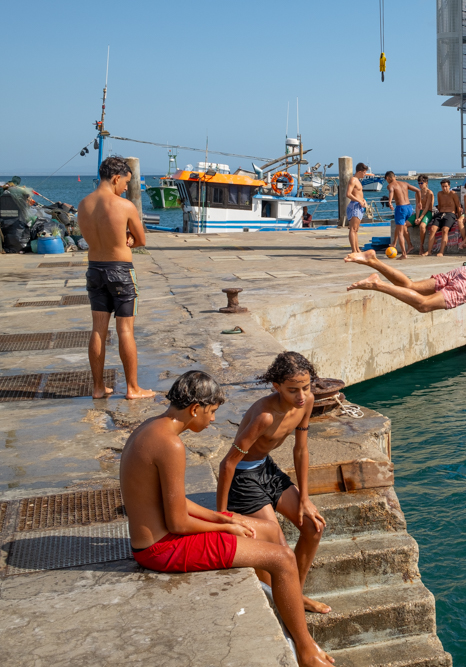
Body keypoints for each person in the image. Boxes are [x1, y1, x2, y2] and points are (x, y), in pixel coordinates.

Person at [119, 371, 334, 667]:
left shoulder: (152, 428)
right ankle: (306, 647)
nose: (213, 420)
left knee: (269, 530)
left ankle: (284, 603)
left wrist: (222, 518)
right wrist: (225, 525)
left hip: (155, 540)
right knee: (283, 557)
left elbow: (174, 501)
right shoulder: (172, 446)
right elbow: (178, 524)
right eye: (212, 412)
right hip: (161, 549)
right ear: (195, 409)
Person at [217, 352, 329, 615]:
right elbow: (228, 464)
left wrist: (304, 497)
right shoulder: (264, 416)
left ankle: (294, 596)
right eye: (293, 391)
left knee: (314, 527)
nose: (301, 396)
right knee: (278, 550)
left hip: (266, 469)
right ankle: (281, 603)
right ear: (276, 387)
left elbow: (301, 450)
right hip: (243, 480)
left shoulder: (307, 402)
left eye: (306, 387)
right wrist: (221, 517)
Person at [77, 155, 155, 400]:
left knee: (98, 329)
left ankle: (98, 387)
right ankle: (133, 388)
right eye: (125, 184)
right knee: (125, 331)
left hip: (94, 269)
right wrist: (129, 238)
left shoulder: (83, 204)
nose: (125, 189)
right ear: (116, 177)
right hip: (120, 270)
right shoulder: (124, 206)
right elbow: (141, 240)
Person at [385, 171, 418, 258]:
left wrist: (389, 202)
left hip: (401, 208)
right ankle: (407, 245)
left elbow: (391, 191)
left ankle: (404, 254)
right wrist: (419, 203)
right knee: (401, 226)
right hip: (409, 207)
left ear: (388, 178)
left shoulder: (390, 185)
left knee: (400, 232)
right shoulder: (405, 183)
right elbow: (418, 190)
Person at [426, 179, 462, 257]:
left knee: (445, 230)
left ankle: (441, 252)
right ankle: (429, 251)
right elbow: (439, 206)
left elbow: (458, 206)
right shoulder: (439, 194)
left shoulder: (453, 194)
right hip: (441, 213)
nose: (444, 188)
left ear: (449, 186)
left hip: (450, 214)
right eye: (443, 187)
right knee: (432, 229)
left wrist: (459, 217)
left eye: (446, 186)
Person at [345, 163, 369, 254]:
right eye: (364, 172)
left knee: (356, 229)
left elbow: (358, 194)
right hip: (354, 206)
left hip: (359, 206)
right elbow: (348, 194)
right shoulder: (353, 180)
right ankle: (354, 250)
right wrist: (359, 201)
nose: (365, 174)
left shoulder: (358, 181)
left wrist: (363, 200)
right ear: (359, 171)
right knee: (353, 229)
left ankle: (357, 249)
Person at [408, 175, 435, 255]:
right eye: (419, 183)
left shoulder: (429, 193)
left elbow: (427, 207)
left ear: (426, 183)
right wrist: (417, 217)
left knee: (422, 226)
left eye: (421, 183)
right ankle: (410, 245)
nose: (420, 185)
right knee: (403, 225)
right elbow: (417, 206)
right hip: (419, 212)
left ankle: (421, 246)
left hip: (428, 212)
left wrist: (420, 218)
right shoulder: (418, 193)